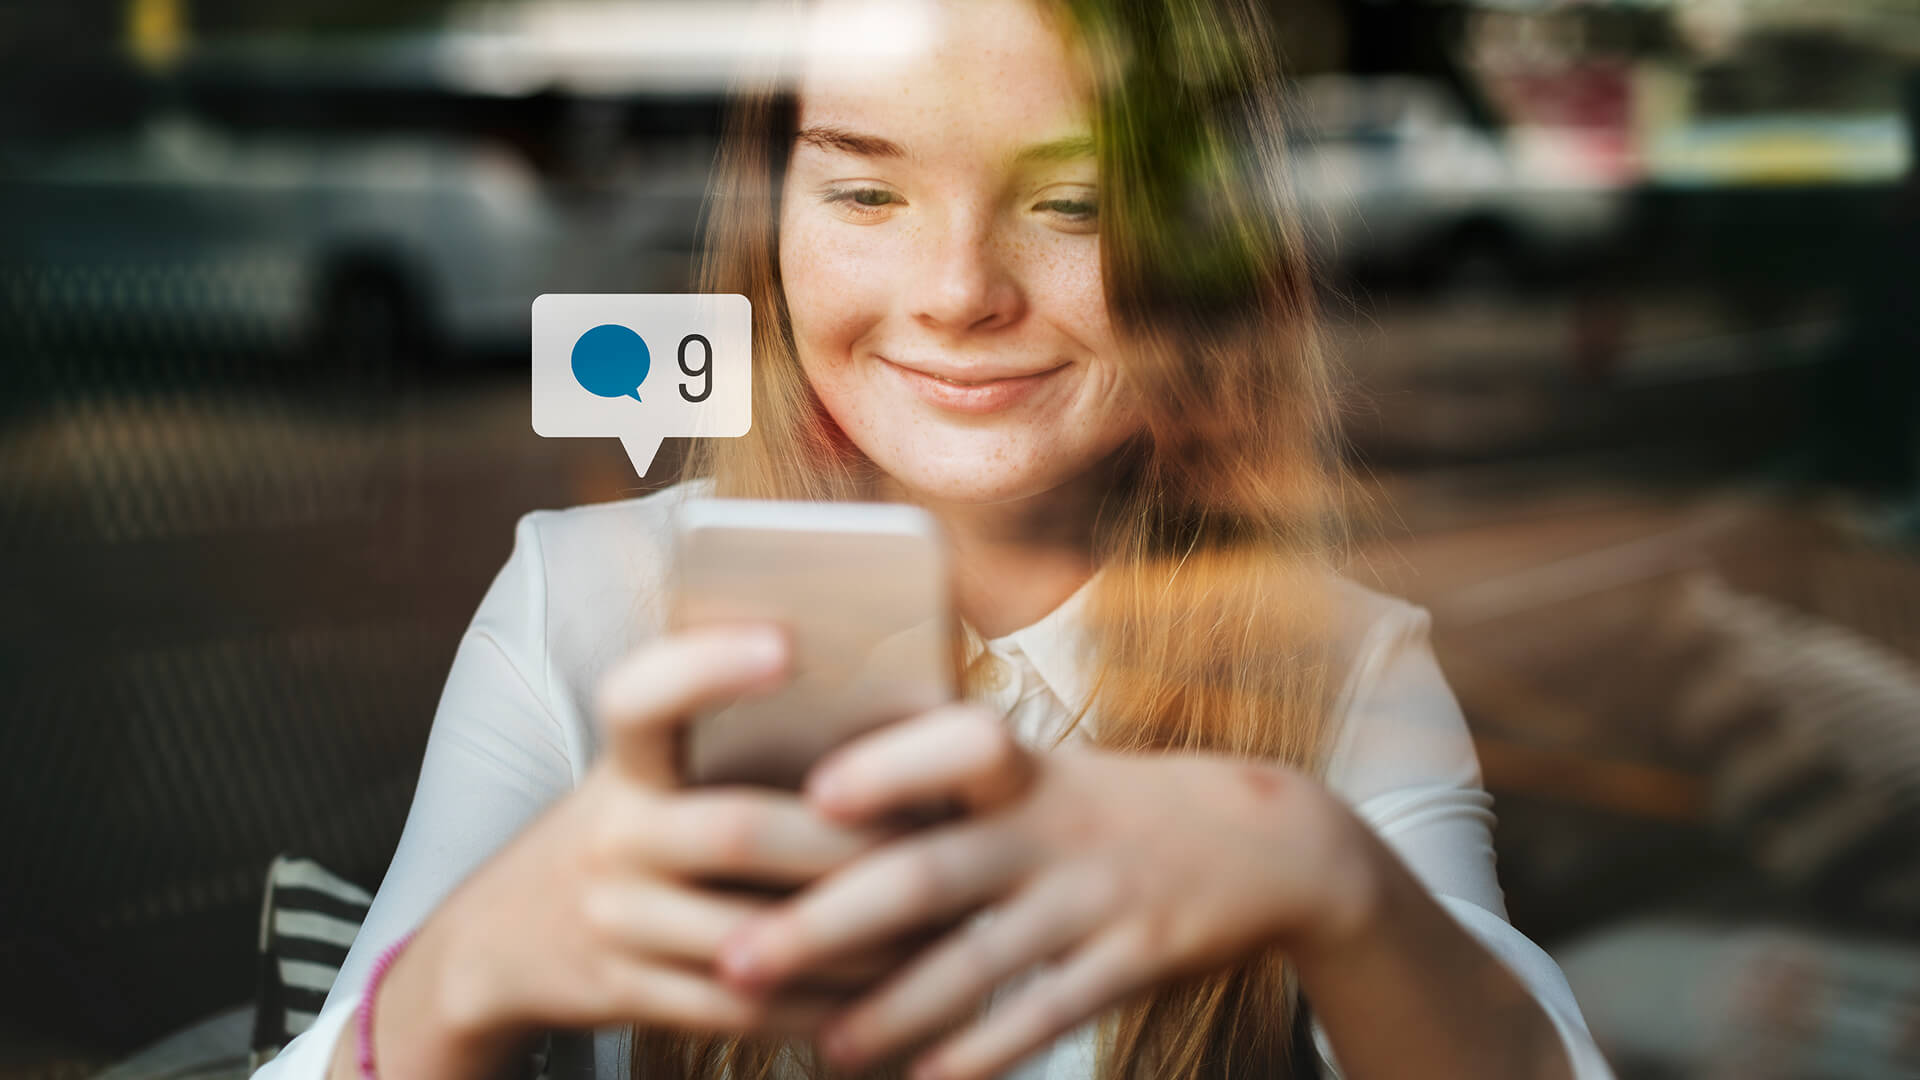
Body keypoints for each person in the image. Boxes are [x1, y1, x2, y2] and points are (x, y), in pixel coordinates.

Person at [254, 0, 1614, 1076]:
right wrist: (469, 968)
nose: (961, 290)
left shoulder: (1345, 666)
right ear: (771, 219)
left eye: (1072, 202)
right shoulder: (587, 599)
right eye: (864, 195)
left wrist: (1338, 888)